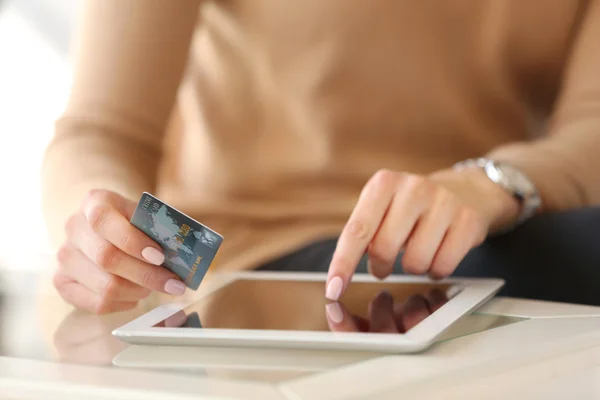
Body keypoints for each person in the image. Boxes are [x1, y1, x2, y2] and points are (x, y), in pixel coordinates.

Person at [42, 0, 600, 314]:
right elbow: (102, 129)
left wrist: (489, 185)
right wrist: (98, 227)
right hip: (257, 260)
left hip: (485, 236)